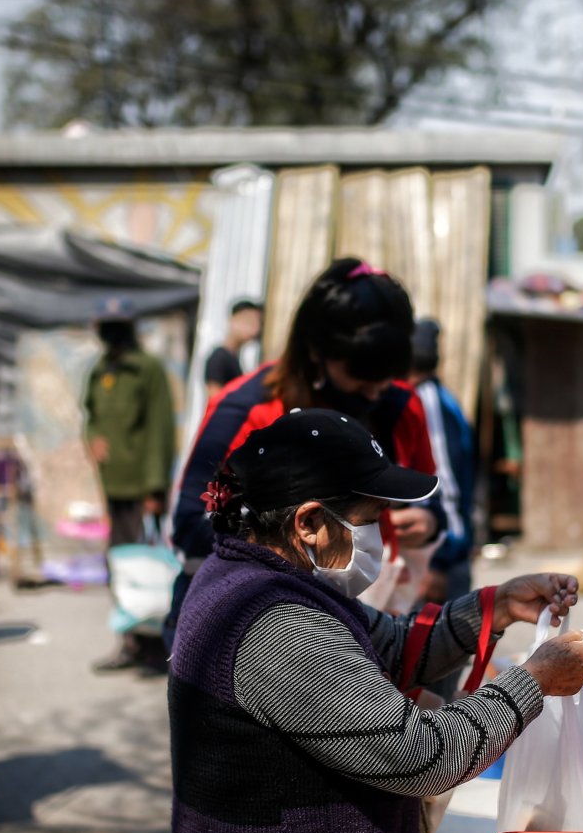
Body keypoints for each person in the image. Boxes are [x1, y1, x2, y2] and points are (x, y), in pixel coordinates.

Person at [158, 409, 583, 833]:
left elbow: (385, 647)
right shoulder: (276, 625)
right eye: (367, 517)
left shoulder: (265, 581)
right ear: (308, 522)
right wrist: (532, 682)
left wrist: (494, 606)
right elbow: (423, 754)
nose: (380, 536)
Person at [167, 258, 441, 645]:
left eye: (387, 378)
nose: (376, 393)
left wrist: (427, 525)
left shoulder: (401, 406)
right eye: (362, 378)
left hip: (371, 621)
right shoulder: (246, 411)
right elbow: (191, 524)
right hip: (255, 626)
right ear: (316, 351)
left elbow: (434, 504)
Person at [84, 297, 180, 673]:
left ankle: (156, 647)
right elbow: (89, 415)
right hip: (113, 485)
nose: (109, 334)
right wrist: (91, 437)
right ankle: (129, 642)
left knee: (149, 569)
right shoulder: (100, 370)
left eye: (116, 327)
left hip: (143, 488)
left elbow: (160, 430)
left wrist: (156, 490)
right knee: (121, 568)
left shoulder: (148, 369)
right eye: (104, 326)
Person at [409, 320, 476, 603]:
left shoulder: (429, 402)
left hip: (441, 561)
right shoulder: (437, 398)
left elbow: (444, 484)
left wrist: (438, 563)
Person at [202, 298, 263, 404]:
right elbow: (215, 401)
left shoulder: (233, 357)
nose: (254, 327)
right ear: (232, 320)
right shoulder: (219, 357)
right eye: (247, 320)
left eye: (257, 322)